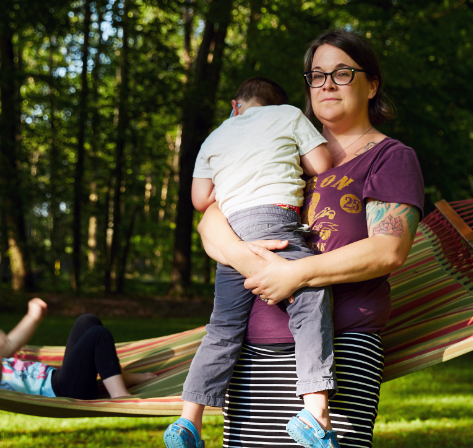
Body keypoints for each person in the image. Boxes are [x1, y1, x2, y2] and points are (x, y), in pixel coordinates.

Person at [197, 30, 424, 448]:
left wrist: (296, 275)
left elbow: (389, 249)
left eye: (342, 73)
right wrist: (243, 258)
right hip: (250, 350)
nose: (327, 84)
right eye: (317, 75)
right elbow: (211, 218)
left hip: (340, 346)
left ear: (371, 84)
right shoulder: (279, 149)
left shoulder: (389, 157)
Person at [164, 77, 339, 448]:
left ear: (235, 105)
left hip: (233, 237)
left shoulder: (215, 136)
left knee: (222, 329)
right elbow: (321, 163)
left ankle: (188, 420)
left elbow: (201, 199)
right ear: (278, 103)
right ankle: (315, 412)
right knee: (311, 299)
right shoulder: (289, 115)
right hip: (277, 222)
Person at [0, 298, 155, 400]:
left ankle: (121, 377)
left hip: (57, 378)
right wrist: (33, 316)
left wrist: (33, 316)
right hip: (63, 392)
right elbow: (5, 344)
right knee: (98, 335)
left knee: (87, 321)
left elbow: (8, 343)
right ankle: (120, 395)